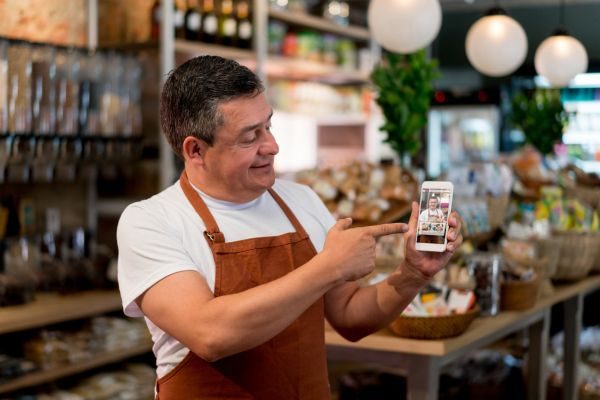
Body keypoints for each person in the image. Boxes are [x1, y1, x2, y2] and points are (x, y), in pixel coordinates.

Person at [117, 55, 463, 399]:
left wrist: (412, 274)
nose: (272, 146)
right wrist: (328, 267)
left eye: (268, 126)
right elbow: (211, 334)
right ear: (195, 150)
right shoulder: (152, 221)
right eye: (250, 137)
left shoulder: (301, 201)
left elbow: (349, 316)